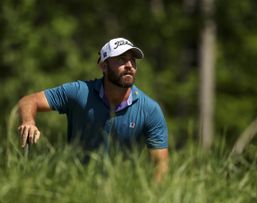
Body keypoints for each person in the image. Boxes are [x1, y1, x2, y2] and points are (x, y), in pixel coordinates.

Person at [18, 37, 169, 182]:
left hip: (122, 195)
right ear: (103, 66)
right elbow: (29, 100)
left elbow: (161, 166)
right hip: (76, 186)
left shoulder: (150, 109)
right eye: (121, 59)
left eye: (132, 60)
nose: (129, 65)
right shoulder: (79, 92)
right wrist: (28, 121)